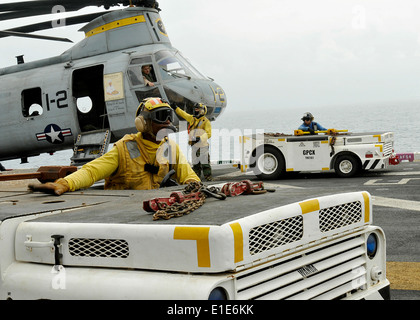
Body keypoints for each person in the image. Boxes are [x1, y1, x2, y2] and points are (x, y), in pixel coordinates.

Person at [28, 98, 200, 195]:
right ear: (143, 123)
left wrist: (194, 187)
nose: (168, 122)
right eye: (161, 116)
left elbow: (190, 177)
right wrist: (64, 183)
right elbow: (92, 171)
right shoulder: (124, 149)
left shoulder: (170, 148)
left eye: (169, 116)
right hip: (126, 213)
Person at [173, 103, 214, 181]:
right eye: (195, 109)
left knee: (205, 162)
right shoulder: (192, 119)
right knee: (195, 163)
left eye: (197, 109)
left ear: (202, 110)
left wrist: (200, 138)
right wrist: (176, 108)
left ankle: (208, 178)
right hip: (194, 145)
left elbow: (208, 133)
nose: (196, 110)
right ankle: (196, 178)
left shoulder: (205, 121)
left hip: (202, 145)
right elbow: (183, 114)